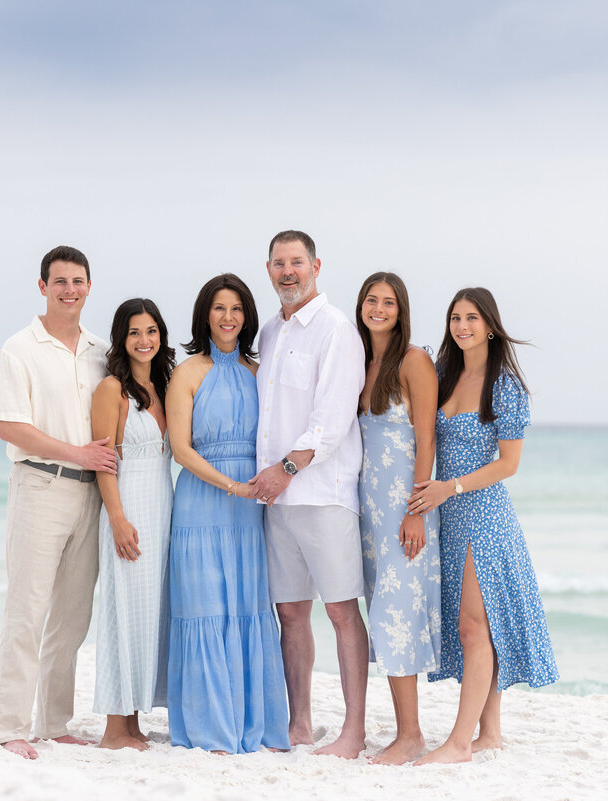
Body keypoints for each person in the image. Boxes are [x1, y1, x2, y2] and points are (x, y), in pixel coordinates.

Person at [407, 287, 558, 765]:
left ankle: (457, 744)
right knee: (476, 630)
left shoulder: (504, 385)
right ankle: (489, 733)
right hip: (447, 516)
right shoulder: (444, 374)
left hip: (484, 516)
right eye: (455, 317)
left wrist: (448, 487)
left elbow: (508, 464)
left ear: (490, 325)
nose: (462, 326)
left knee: (474, 629)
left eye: (472, 317)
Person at [0, 245, 118, 760]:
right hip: (40, 488)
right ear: (42, 287)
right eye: (60, 281)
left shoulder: (100, 350)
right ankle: (12, 726)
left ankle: (54, 721)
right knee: (27, 609)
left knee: (72, 615)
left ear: (90, 286)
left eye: (79, 281)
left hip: (90, 496)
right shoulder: (18, 349)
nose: (70, 289)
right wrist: (78, 453)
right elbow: (10, 425)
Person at [250, 230, 368, 759]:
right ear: (268, 269)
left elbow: (333, 417)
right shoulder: (271, 332)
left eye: (297, 262)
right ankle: (299, 725)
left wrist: (287, 468)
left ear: (317, 265)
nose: (288, 272)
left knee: (342, 611)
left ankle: (354, 731)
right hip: (277, 501)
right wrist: (270, 479)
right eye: (279, 264)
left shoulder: (336, 329)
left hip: (321, 492)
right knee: (291, 613)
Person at [166, 274, 289, 754]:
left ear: (248, 317)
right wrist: (233, 486)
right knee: (205, 608)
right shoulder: (188, 372)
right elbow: (181, 449)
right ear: (205, 314)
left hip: (251, 508)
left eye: (237, 309)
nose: (228, 317)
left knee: (247, 606)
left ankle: (256, 723)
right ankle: (213, 729)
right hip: (202, 502)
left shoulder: (260, 371)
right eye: (219, 308)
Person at [354, 272, 442, 765]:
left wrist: (416, 512)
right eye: (372, 300)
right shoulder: (363, 361)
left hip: (405, 514)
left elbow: (425, 440)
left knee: (396, 617)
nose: (379, 309)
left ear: (401, 309)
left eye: (389, 302)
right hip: (369, 515)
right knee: (382, 619)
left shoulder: (415, 360)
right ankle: (405, 731)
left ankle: (411, 735)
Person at [90, 298, 176, 751]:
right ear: (122, 340)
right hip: (129, 511)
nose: (144, 341)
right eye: (134, 333)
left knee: (148, 613)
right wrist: (118, 519)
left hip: (162, 509)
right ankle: (113, 728)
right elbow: (105, 462)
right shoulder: (112, 390)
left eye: (151, 331)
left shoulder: (164, 386)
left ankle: (133, 722)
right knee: (123, 611)